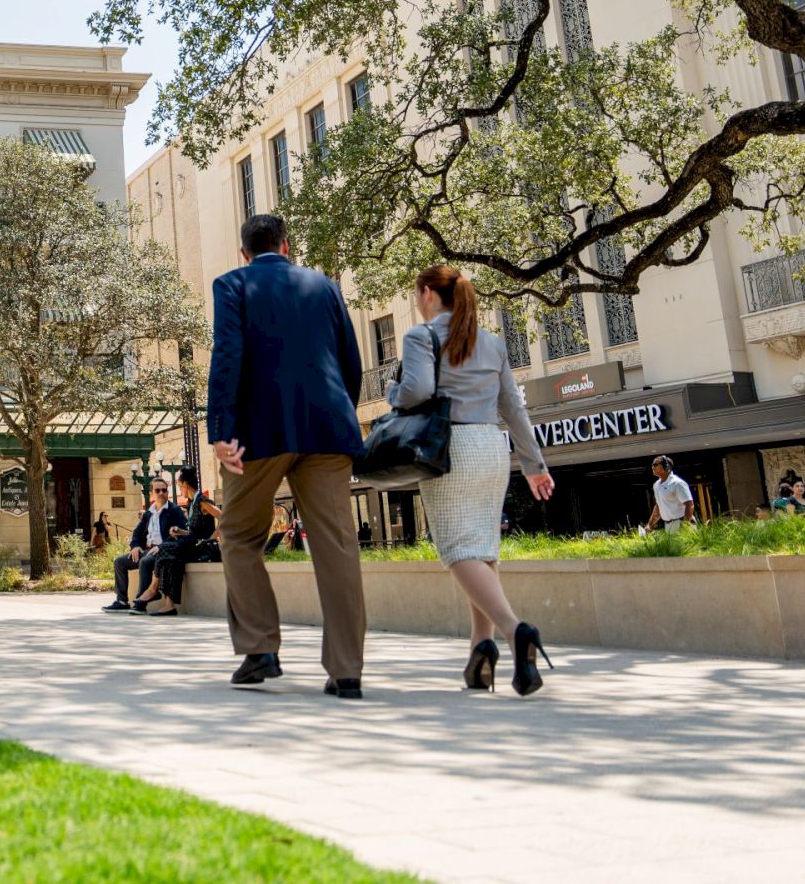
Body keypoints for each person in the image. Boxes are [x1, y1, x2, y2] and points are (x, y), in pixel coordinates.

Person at [208, 213, 368, 699]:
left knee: (237, 534)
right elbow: (350, 360)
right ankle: (347, 672)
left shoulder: (232, 284)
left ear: (244, 253)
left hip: (257, 433)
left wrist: (221, 431)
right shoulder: (325, 286)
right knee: (337, 545)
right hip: (327, 426)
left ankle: (261, 648)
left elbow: (227, 355)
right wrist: (341, 413)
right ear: (287, 244)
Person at [388, 266, 557, 696]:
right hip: (490, 447)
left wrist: (393, 395)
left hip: (450, 449)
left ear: (428, 293)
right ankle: (481, 654)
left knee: (457, 549)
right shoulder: (493, 342)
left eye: (416, 293)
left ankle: (516, 630)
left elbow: (417, 391)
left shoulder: (420, 337)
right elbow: (513, 408)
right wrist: (534, 464)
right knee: (482, 548)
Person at [135, 467, 218, 617]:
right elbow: (194, 532)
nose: (179, 490)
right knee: (171, 560)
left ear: (185, 484)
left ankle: (153, 589)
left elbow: (225, 518)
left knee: (164, 548)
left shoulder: (202, 501)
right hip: (193, 545)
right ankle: (169, 605)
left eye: (179, 486)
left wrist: (211, 539)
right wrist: (180, 531)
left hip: (203, 549)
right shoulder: (192, 503)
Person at [103, 477, 184, 613]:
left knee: (145, 562)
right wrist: (135, 546)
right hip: (147, 549)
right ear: (152, 493)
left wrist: (163, 545)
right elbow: (137, 533)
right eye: (157, 490)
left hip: (163, 550)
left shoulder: (174, 510)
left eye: (164, 490)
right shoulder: (149, 513)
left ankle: (141, 603)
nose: (161, 493)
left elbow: (180, 532)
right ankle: (122, 601)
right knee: (120, 562)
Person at [646, 456, 697, 533]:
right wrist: (650, 525)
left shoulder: (677, 483)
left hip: (682, 523)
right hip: (668, 525)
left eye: (655, 464)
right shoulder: (656, 485)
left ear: (666, 466)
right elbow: (659, 506)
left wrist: (685, 525)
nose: (653, 467)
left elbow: (689, 505)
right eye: (652, 465)